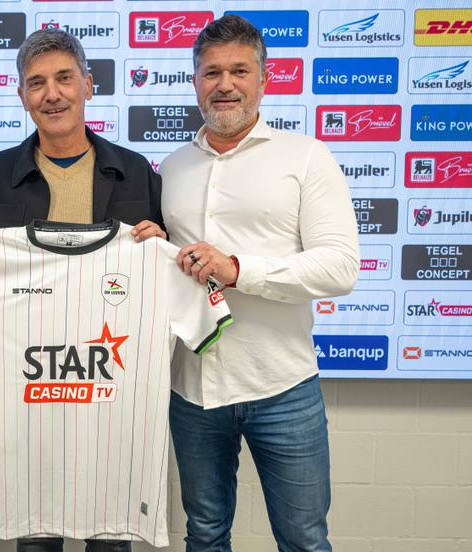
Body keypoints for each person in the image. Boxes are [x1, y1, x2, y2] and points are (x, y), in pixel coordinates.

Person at [0, 29, 165, 552]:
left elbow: (162, 277)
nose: (51, 94)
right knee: (35, 543)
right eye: (36, 83)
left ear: (89, 86)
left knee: (111, 540)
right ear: (22, 96)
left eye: (64, 78)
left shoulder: (137, 173)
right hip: (30, 405)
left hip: (108, 401)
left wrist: (162, 248)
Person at [160, 15, 359, 552]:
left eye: (239, 71)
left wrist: (239, 269)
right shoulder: (171, 167)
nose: (224, 84)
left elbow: (340, 267)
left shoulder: (307, 157)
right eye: (211, 72)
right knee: (203, 535)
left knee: (303, 539)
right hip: (193, 389)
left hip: (282, 389)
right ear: (195, 81)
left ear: (265, 79)